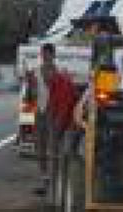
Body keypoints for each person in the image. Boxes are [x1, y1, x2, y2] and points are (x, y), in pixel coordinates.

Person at [32, 43, 77, 199]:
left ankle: (52, 184)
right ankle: (44, 179)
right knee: (40, 148)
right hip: (40, 112)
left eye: (48, 54)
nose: (45, 57)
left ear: (53, 55)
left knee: (53, 148)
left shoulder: (61, 72)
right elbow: (31, 94)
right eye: (43, 54)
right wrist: (30, 85)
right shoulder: (36, 72)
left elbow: (62, 93)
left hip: (53, 113)